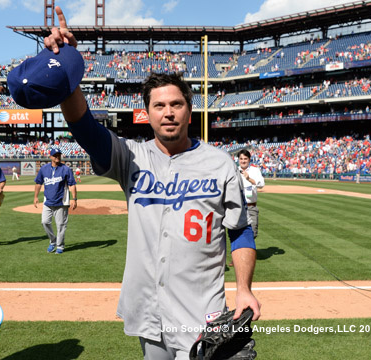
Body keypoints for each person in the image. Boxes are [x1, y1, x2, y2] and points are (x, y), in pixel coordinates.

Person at [33, 7, 261, 358]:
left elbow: (241, 230)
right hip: (149, 309)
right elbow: (85, 130)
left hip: (202, 311)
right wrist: (66, 68)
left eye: (176, 104)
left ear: (189, 109)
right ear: (147, 113)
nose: (168, 112)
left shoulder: (219, 163)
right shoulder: (130, 157)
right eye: (159, 106)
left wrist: (243, 288)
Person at [34, 148, 77, 254]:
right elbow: (38, 183)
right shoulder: (44, 169)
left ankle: (60, 246)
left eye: (59, 155)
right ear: (51, 157)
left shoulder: (66, 169)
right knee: (44, 222)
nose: (57, 157)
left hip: (61, 202)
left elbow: (72, 184)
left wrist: (74, 198)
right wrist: (35, 197)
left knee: (61, 225)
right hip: (48, 201)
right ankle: (53, 241)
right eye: (55, 155)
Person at [229, 149, 265, 267]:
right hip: (237, 207)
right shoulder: (234, 171)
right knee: (236, 232)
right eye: (241, 159)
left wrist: (249, 178)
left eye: (245, 159)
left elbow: (261, 184)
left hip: (251, 206)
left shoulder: (255, 170)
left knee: (252, 232)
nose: (243, 161)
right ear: (238, 160)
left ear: (249, 160)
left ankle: (244, 254)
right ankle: (237, 258)